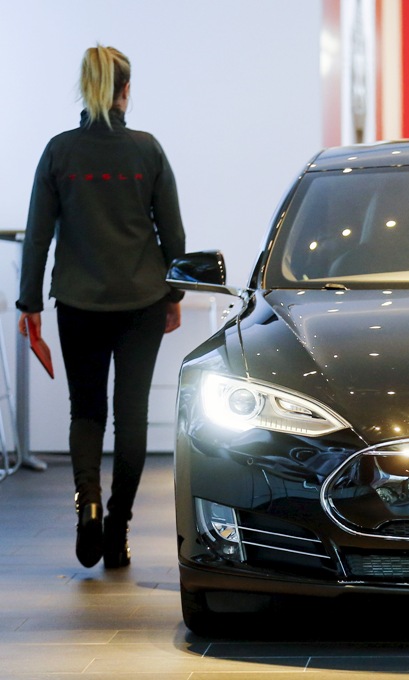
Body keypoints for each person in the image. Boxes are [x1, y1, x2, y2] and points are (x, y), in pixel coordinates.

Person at [16, 44, 186, 567]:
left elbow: (38, 238)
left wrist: (30, 303)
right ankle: (116, 528)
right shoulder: (148, 150)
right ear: (126, 91)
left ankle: (86, 504)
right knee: (130, 417)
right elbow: (173, 233)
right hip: (142, 300)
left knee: (86, 412)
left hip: (78, 301)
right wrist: (176, 294)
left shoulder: (59, 152)